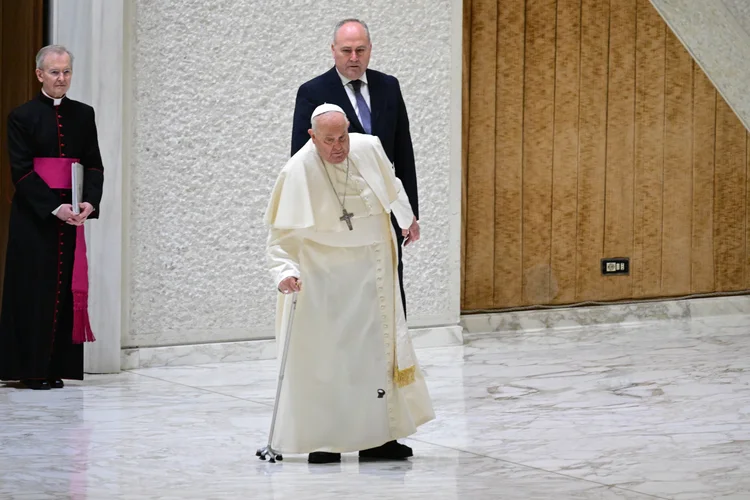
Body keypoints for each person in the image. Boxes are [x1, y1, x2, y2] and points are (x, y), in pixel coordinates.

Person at [265, 103, 434, 464]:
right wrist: (284, 272)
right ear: (313, 136)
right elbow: (280, 236)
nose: (339, 147)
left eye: (342, 136)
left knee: (375, 355)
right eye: (329, 140)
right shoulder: (297, 170)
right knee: (329, 360)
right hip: (324, 278)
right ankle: (325, 441)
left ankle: (379, 440)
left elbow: (392, 187)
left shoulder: (367, 146)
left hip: (372, 272)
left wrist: (408, 219)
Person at [291, 18, 418, 317]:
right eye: (346, 50)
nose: (354, 58)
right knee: (349, 297)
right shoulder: (312, 92)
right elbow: (301, 159)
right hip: (340, 213)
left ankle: (392, 360)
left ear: (370, 49)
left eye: (360, 50)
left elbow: (402, 151)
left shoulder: (389, 86)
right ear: (333, 50)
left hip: (384, 210)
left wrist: (409, 212)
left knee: (388, 290)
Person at [0, 45, 104, 390]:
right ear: (40, 75)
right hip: (36, 217)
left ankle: (55, 366)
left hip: (72, 215)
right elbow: (22, 172)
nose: (62, 79)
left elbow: (93, 163)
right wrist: (54, 207)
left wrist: (88, 202)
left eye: (67, 72)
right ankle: (30, 370)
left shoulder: (84, 114)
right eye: (55, 72)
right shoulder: (21, 116)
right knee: (34, 289)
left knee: (63, 290)